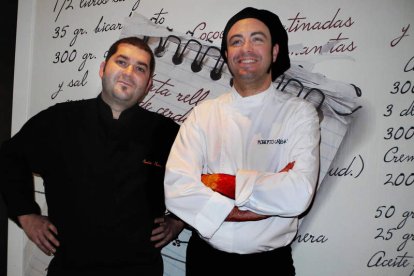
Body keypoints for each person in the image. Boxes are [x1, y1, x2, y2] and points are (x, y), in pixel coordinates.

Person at [0, 36, 184, 276]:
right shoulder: (59, 120)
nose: (129, 72)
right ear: (102, 68)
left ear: (148, 84)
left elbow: (200, 178)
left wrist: (179, 221)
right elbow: (9, 158)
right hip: (71, 267)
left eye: (140, 68)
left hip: (141, 268)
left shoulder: (168, 132)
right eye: (121, 62)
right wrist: (26, 214)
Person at [164, 7, 320, 275]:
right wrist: (265, 194)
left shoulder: (299, 113)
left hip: (270, 265)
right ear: (226, 55)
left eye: (257, 39)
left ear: (274, 52)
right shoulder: (204, 113)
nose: (245, 48)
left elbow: (298, 194)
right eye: (236, 41)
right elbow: (177, 189)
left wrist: (214, 183)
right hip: (205, 261)